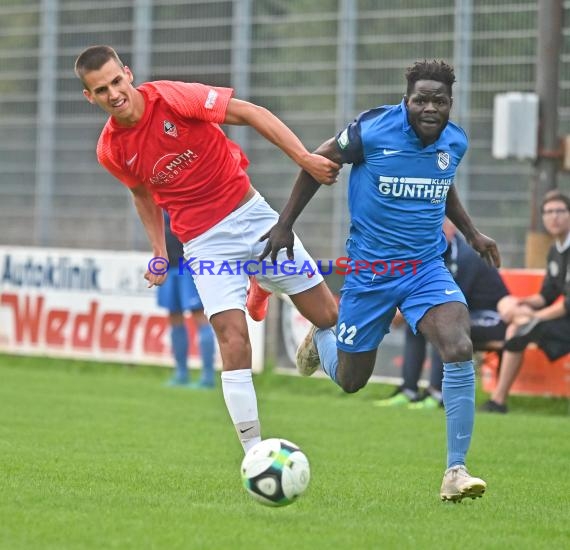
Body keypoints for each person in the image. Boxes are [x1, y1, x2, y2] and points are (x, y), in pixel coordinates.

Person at [74, 45, 339, 454]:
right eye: (101, 90)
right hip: (203, 243)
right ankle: (254, 455)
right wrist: (159, 252)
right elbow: (142, 194)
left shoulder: (173, 98)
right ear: (89, 97)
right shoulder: (111, 150)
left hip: (250, 215)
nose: (114, 93)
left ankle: (263, 287)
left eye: (116, 81)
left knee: (328, 317)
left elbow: (250, 113)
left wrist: (304, 158)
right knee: (233, 340)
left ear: (127, 73)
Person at [260, 60, 500, 502]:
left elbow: (441, 183)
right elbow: (320, 160)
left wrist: (470, 232)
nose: (430, 107)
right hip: (370, 274)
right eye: (421, 99)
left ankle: (456, 470)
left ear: (450, 103)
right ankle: (323, 337)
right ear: (405, 100)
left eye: (440, 100)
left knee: (459, 346)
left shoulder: (456, 141)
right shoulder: (372, 130)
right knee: (352, 381)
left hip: (426, 268)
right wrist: (284, 224)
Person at [377, 218, 509, 409]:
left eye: (437, 227)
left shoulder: (465, 255)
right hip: (464, 316)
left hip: (491, 317)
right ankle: (409, 390)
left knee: (445, 326)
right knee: (416, 325)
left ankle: (437, 393)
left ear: (451, 228)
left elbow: (449, 304)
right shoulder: (430, 254)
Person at [481, 191, 570, 413]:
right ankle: (498, 400)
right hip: (562, 319)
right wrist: (520, 304)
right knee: (517, 326)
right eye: (548, 212)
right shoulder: (555, 251)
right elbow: (546, 296)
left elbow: (567, 304)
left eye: (560, 211)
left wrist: (534, 317)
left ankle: (498, 400)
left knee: (521, 327)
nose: (554, 217)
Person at [159, 211, 216, 388]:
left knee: (199, 315)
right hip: (168, 266)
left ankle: (207, 376)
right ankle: (181, 373)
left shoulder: (185, 195)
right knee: (174, 316)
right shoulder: (158, 197)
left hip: (188, 266)